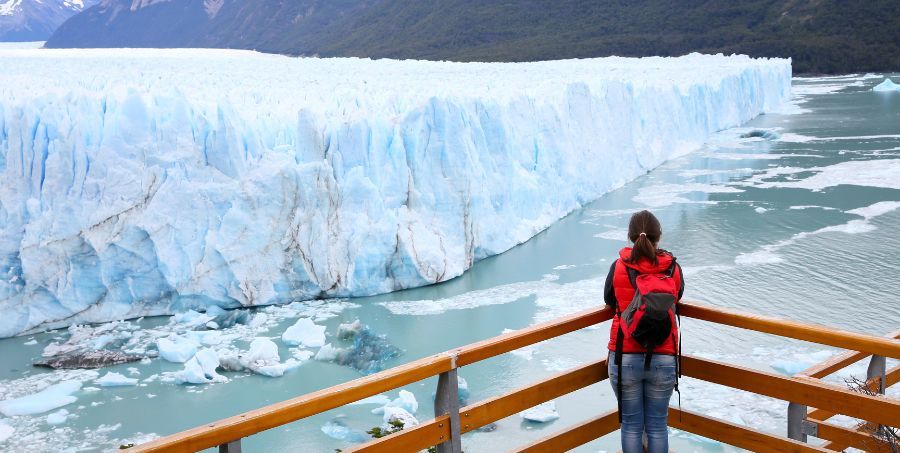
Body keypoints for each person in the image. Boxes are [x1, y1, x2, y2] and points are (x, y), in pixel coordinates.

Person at [604, 210, 684, 453]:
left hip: (624, 353)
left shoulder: (618, 266)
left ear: (630, 237)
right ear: (658, 237)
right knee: (658, 426)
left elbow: (609, 300)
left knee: (630, 425)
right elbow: (677, 296)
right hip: (664, 354)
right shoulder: (672, 268)